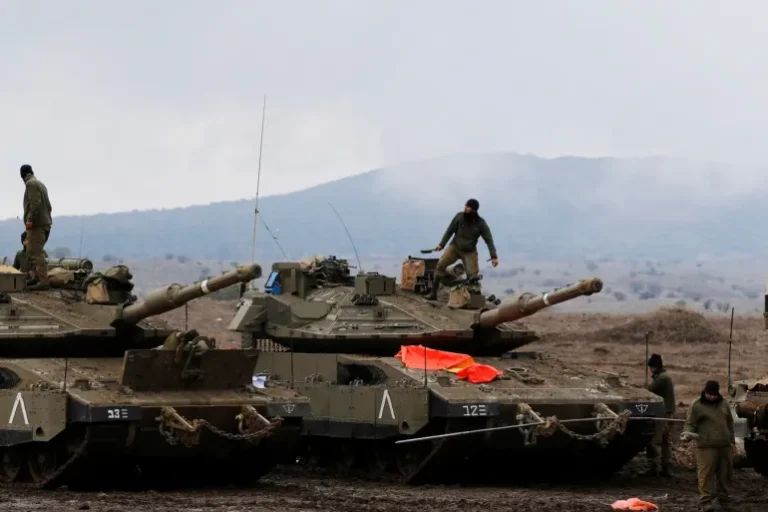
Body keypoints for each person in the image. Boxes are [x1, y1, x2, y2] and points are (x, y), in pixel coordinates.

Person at [681, 380, 736, 512]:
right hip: (706, 446)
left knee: (725, 474)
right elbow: (690, 424)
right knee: (706, 474)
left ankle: (724, 499)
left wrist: (732, 441)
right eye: (709, 394)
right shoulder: (697, 405)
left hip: (724, 445)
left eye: (714, 394)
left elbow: (729, 423)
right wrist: (687, 434)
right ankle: (706, 501)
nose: (712, 397)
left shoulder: (724, 403)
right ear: (704, 392)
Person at [427, 198, 498, 300]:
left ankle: (476, 300)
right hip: (455, 247)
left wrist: (494, 256)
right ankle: (433, 293)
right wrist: (441, 244)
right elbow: (449, 231)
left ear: (473, 210)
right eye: (465, 205)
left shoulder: (480, 223)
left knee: (473, 277)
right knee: (440, 266)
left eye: (468, 206)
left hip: (469, 252)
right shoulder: (459, 217)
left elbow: (489, 240)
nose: (465, 207)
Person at [642, 353, 676, 477]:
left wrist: (645, 386)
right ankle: (666, 466)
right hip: (668, 412)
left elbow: (649, 390)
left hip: (662, 412)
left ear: (655, 367)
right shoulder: (664, 376)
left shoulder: (661, 378)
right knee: (666, 440)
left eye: (650, 367)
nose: (649, 369)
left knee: (655, 440)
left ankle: (653, 467)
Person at [21, 164, 52, 290]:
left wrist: (30, 220)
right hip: (45, 223)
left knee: (35, 253)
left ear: (22, 176)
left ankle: (43, 281)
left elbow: (35, 204)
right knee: (31, 252)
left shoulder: (31, 184)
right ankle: (37, 278)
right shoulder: (41, 185)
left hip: (36, 225)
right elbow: (48, 206)